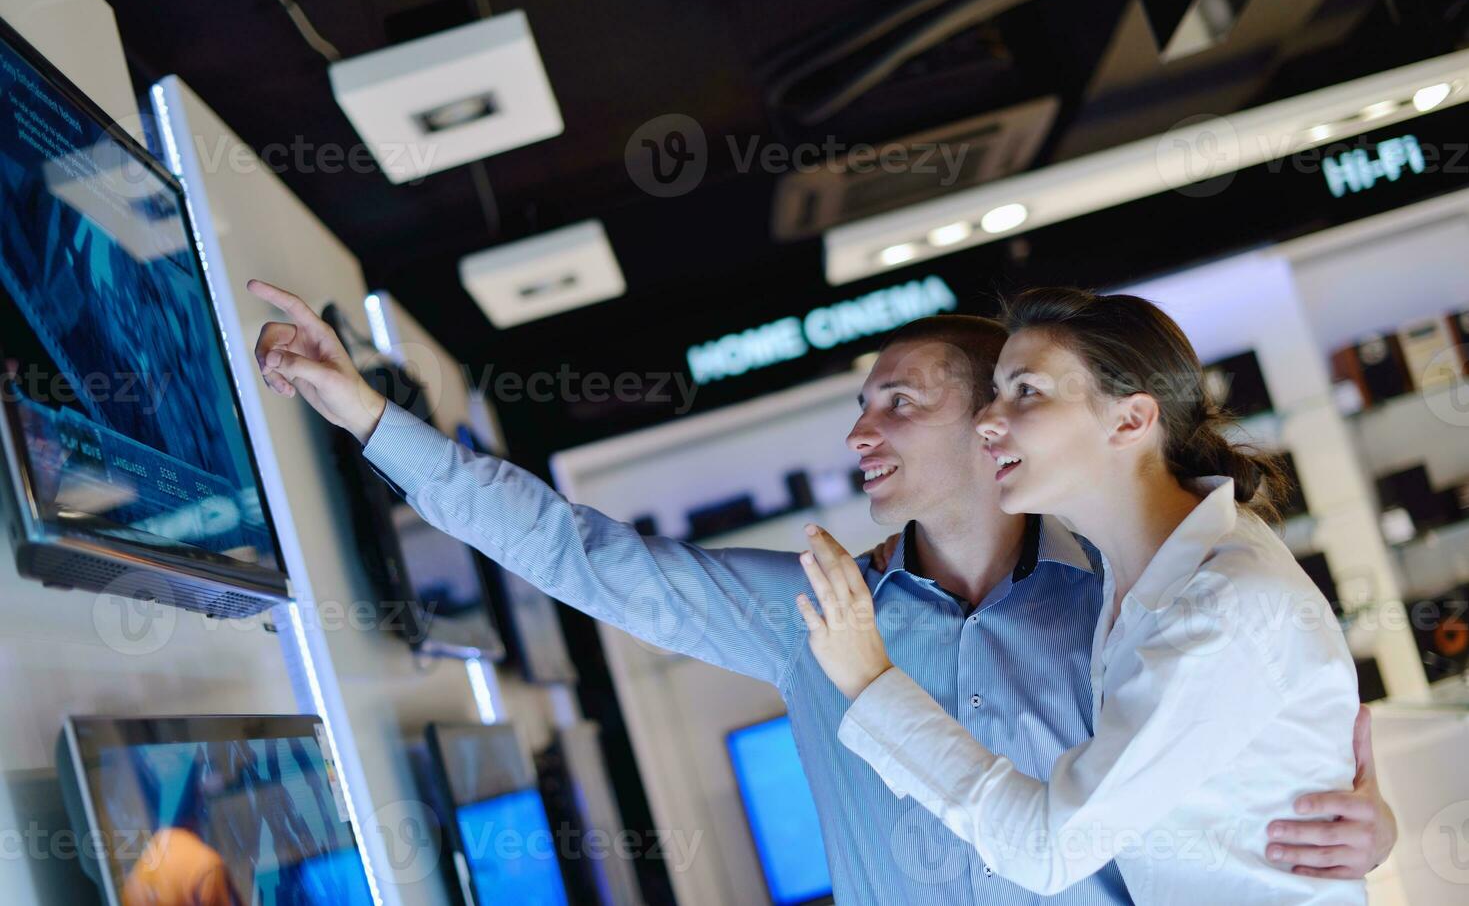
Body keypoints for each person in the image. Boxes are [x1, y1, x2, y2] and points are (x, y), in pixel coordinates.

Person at [245, 279, 1393, 906]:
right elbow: (574, 551)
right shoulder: (815, 610)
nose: (860, 431)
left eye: (900, 401)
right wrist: (366, 417)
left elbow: (1227, 752)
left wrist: (1366, 828)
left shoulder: (1118, 598)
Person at [797, 287, 1371, 902]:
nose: (987, 421)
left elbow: (1050, 849)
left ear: (1129, 420)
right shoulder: (1140, 575)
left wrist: (872, 682)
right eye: (995, 394)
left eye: (1026, 392)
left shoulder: (1220, 608)